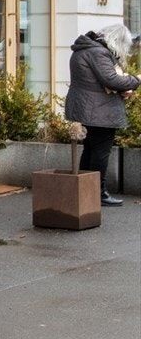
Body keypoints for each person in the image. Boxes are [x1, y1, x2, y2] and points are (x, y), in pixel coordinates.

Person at [64, 22, 140, 208]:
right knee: (100, 151)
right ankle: (98, 192)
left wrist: (125, 87)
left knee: (90, 149)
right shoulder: (98, 52)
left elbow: (101, 81)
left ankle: (84, 190)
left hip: (89, 108)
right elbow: (111, 79)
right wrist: (135, 80)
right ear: (117, 41)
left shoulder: (85, 49)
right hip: (100, 111)